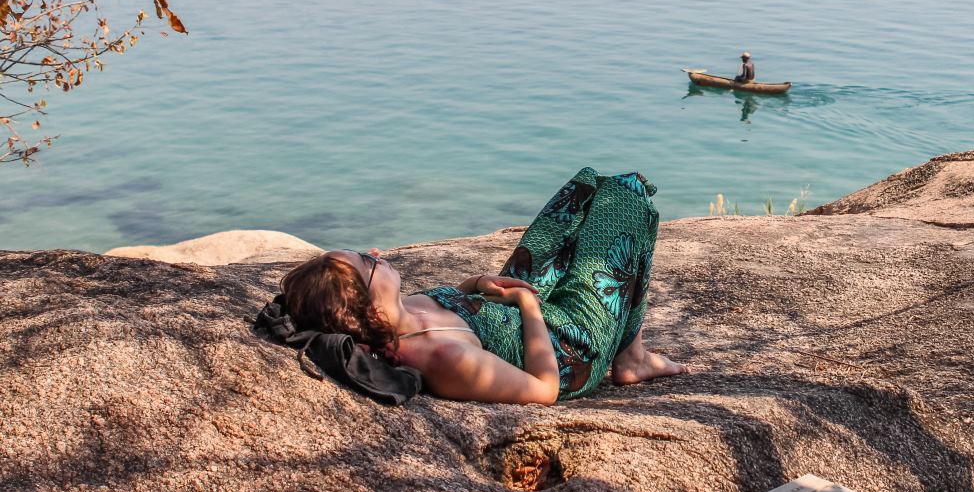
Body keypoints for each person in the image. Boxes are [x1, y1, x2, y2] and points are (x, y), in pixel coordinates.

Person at [278, 168, 688, 405]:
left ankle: (633, 352)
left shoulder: (406, 310)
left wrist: (476, 283)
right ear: (371, 311)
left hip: (514, 305)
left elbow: (460, 300)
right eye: (369, 262)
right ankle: (630, 358)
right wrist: (528, 306)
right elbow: (542, 390)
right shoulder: (443, 356)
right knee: (626, 197)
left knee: (583, 193)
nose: (376, 251)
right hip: (564, 349)